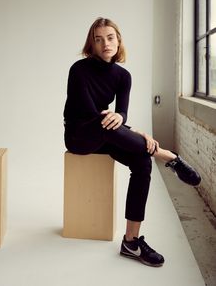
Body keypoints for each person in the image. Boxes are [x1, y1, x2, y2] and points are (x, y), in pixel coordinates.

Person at [63, 17, 201, 267]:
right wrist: (138, 133)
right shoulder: (79, 70)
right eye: (98, 39)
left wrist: (127, 124)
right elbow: (92, 115)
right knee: (105, 124)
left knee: (141, 162)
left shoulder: (123, 76)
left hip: (106, 131)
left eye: (110, 37)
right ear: (91, 45)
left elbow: (121, 113)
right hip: (79, 135)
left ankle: (131, 242)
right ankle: (169, 157)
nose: (105, 43)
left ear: (118, 41)